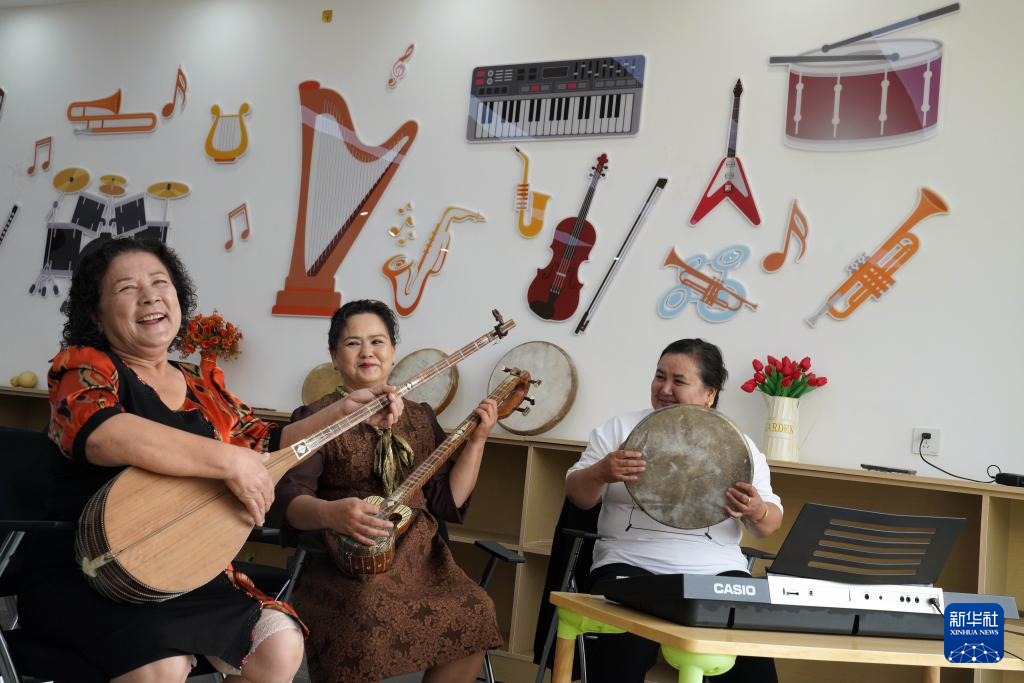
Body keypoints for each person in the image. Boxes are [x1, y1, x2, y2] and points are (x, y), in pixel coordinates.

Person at [16, 237, 401, 683]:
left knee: (280, 644)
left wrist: (345, 411)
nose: (150, 296)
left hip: (182, 569)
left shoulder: (201, 384)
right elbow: (103, 435)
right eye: (126, 288)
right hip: (89, 571)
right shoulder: (83, 367)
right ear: (95, 314)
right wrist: (229, 461)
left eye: (160, 282)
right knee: (163, 662)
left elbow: (268, 445)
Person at [274, 299, 503, 683]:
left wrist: (477, 441)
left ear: (393, 352)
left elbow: (447, 499)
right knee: (367, 614)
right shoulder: (315, 418)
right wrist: (332, 514)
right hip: (345, 561)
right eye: (353, 343)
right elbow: (290, 502)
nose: (367, 351)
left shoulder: (420, 415)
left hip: (421, 560)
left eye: (377, 341)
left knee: (476, 609)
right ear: (334, 356)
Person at [565, 338, 782, 683]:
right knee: (623, 651)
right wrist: (600, 472)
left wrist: (756, 510)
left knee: (752, 661)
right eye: (659, 376)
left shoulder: (739, 444)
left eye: (678, 381)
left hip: (717, 572)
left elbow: (768, 525)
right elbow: (578, 496)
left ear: (709, 393)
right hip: (630, 566)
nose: (664, 389)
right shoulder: (619, 430)